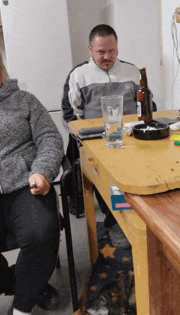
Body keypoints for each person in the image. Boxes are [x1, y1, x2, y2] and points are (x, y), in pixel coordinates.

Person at [62, 24, 156, 241]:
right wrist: (84, 138)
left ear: (117, 48)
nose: (107, 56)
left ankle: (140, 218)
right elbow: (70, 115)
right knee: (108, 181)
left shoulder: (132, 71)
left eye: (111, 51)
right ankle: (116, 221)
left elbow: (148, 106)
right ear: (90, 49)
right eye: (101, 52)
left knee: (141, 175)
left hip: (133, 138)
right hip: (97, 141)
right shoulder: (79, 75)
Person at [0, 53, 64, 315]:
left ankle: (21, 307)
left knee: (42, 234)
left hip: (24, 185)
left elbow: (50, 137)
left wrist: (43, 172)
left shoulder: (25, 101)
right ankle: (20, 282)